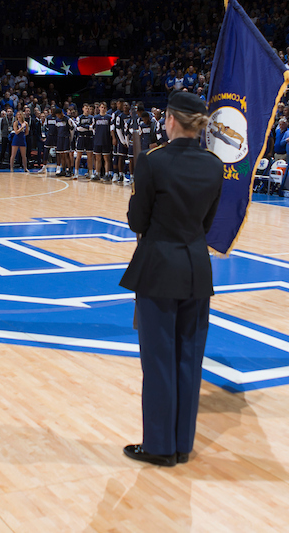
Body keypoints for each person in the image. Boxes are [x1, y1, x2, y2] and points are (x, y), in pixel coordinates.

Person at [120, 91, 222, 466]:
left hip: (159, 268)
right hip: (196, 267)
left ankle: (160, 446)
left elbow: (138, 221)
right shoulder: (214, 166)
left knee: (159, 360)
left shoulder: (152, 161)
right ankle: (182, 443)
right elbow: (208, 223)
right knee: (189, 359)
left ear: (171, 120)